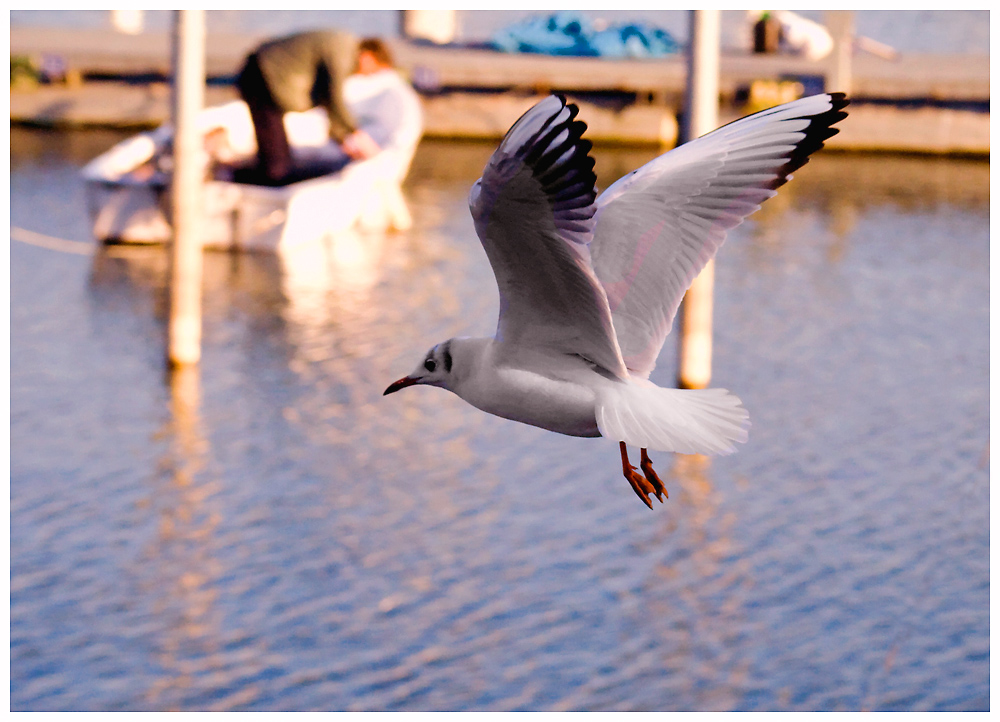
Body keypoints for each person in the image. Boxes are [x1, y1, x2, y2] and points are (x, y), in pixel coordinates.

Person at [235, 30, 381, 186]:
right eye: (372, 70)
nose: (366, 75)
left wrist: (342, 137)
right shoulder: (344, 51)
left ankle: (250, 179)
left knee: (279, 157)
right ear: (369, 56)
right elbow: (333, 96)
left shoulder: (342, 44)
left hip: (265, 75)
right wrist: (355, 133)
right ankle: (237, 182)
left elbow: (328, 98)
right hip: (262, 76)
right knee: (276, 166)